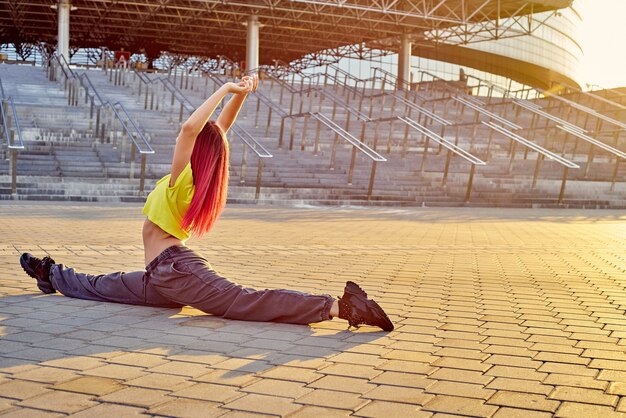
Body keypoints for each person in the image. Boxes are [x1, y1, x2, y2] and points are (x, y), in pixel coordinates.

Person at [19, 74, 393, 332]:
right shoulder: (194, 177)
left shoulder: (186, 177)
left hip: (176, 269)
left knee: (242, 301)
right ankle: (50, 273)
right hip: (160, 278)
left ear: (199, 149)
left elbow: (190, 129)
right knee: (103, 284)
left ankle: (342, 307)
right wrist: (241, 95)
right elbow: (218, 130)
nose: (192, 138)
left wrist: (224, 89)